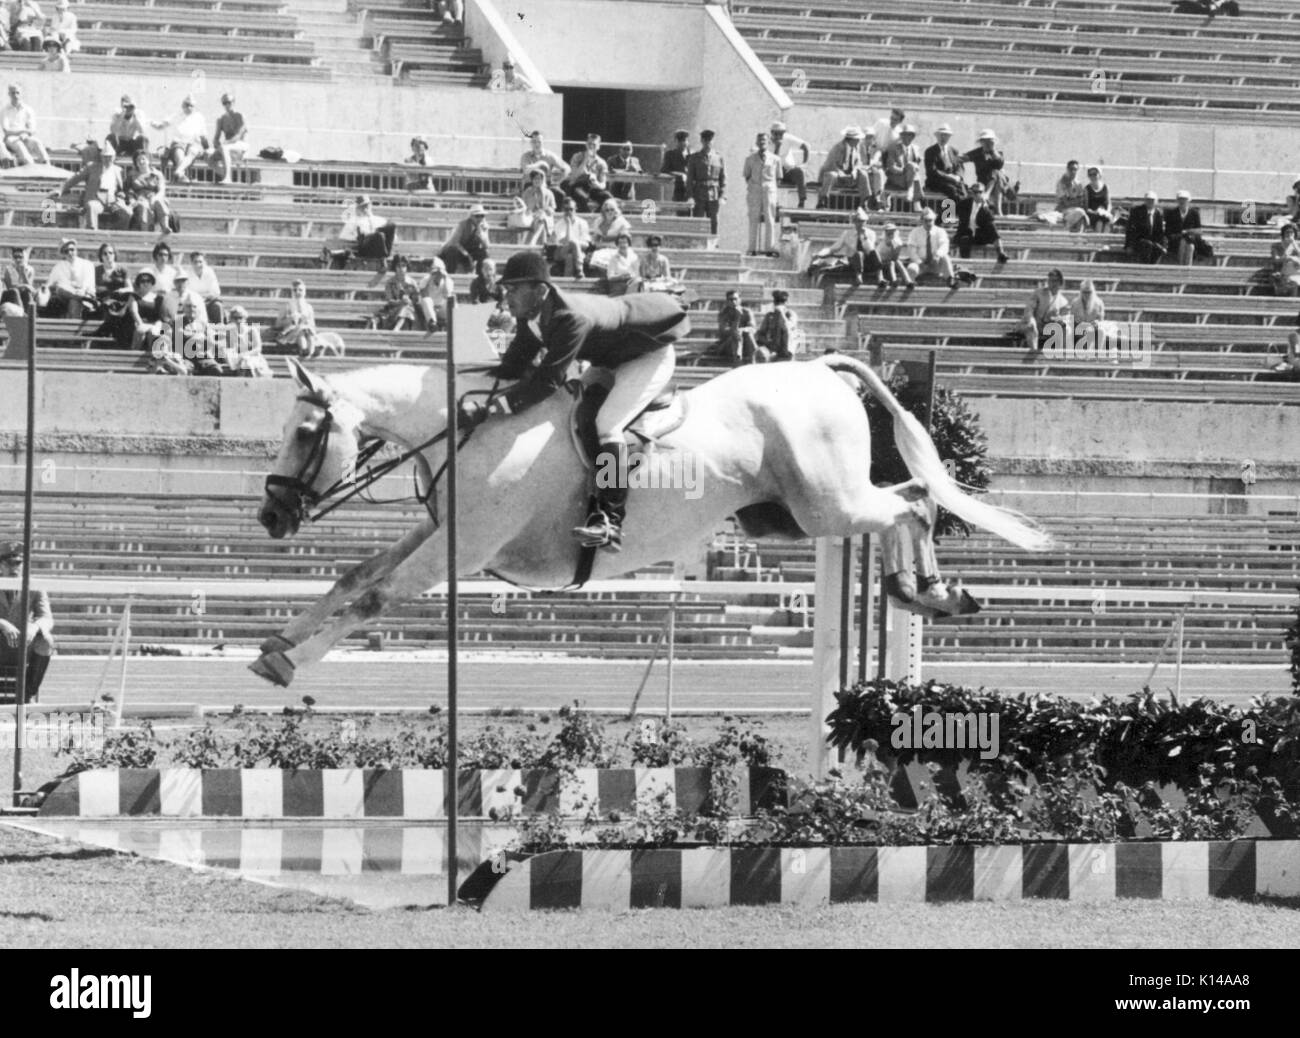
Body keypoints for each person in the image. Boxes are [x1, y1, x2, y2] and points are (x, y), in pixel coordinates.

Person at [465, 251, 689, 553]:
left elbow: (547, 381)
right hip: (610, 359)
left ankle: (610, 520)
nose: (508, 296)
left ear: (540, 290)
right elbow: (513, 366)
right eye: (507, 289)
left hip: (646, 356)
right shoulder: (532, 314)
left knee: (607, 426)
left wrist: (493, 409)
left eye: (514, 289)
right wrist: (467, 384)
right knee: (572, 414)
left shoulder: (568, 317)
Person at [0, 541, 54, 704]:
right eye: (9, 563)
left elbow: (47, 617)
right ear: (1, 565)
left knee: (46, 641)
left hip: (23, 646)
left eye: (18, 563)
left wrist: (34, 627)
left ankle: (26, 694)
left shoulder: (35, 586)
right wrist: (2, 623)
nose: (14, 568)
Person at [55, 140, 126, 231]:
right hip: (96, 198)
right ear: (101, 157)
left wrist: (122, 195)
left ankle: (118, 237)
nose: (107, 159)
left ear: (114, 157)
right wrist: (60, 190)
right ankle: (92, 234)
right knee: (91, 206)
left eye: (110, 157)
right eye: (105, 157)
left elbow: (123, 188)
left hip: (113, 200)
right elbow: (75, 178)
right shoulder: (92, 167)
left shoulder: (118, 170)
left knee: (126, 213)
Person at [812, 208, 883, 287]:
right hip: (853, 262)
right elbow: (834, 248)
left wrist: (865, 237)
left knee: (875, 252)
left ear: (865, 222)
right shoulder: (847, 234)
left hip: (867, 261)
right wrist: (819, 254)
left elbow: (870, 249)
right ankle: (858, 276)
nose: (860, 224)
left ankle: (880, 277)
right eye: (858, 221)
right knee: (859, 254)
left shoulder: (871, 233)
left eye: (862, 221)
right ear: (854, 222)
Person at [332, 195, 397, 271]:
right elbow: (343, 238)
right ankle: (383, 260)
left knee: (392, 225)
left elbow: (393, 238)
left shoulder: (379, 220)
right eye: (362, 206)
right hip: (364, 248)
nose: (365, 208)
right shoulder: (353, 221)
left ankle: (383, 255)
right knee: (378, 235)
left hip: (381, 249)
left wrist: (371, 220)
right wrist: (356, 237)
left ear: (370, 205)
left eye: (367, 205)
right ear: (357, 208)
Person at [150, 94, 206, 183]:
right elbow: (161, 125)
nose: (189, 107)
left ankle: (179, 172)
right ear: (183, 105)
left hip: (193, 143)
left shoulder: (199, 117)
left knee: (193, 151)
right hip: (179, 143)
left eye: (191, 105)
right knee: (180, 156)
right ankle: (182, 176)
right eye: (187, 105)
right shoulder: (176, 115)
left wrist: (207, 148)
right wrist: (151, 123)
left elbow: (203, 136)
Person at [742, 131, 781, 256]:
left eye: (764, 140)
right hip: (754, 191)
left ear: (768, 142)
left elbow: (778, 178)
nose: (762, 142)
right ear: (756, 142)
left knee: (770, 219)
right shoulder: (750, 159)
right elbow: (747, 176)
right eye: (760, 140)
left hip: (769, 191)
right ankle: (751, 248)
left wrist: (770, 188)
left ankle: (770, 248)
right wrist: (755, 186)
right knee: (753, 218)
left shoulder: (776, 159)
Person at [954, 181, 1010, 264]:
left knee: (991, 227)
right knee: (964, 240)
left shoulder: (988, 206)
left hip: (979, 235)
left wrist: (985, 206)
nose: (978, 194)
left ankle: (1000, 252)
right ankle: (965, 265)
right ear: (972, 193)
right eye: (975, 192)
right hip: (965, 234)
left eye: (980, 192)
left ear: (984, 193)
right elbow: (949, 211)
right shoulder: (964, 204)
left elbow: (990, 221)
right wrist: (938, 222)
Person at [816, 125, 870, 210]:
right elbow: (830, 165)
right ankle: (822, 202)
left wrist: (855, 171)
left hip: (850, 177)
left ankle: (864, 202)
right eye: (857, 139)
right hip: (838, 177)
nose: (859, 141)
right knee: (831, 175)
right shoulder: (837, 148)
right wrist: (841, 173)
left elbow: (858, 163)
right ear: (852, 139)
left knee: (863, 174)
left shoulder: (856, 149)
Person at [963, 130, 1014, 217]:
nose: (987, 144)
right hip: (983, 181)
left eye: (989, 141)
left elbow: (999, 163)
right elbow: (962, 158)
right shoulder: (977, 153)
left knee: (996, 172)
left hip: (997, 183)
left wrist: (993, 151)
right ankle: (998, 211)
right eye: (984, 141)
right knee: (998, 175)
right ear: (981, 142)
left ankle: (987, 195)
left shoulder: (998, 154)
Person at [1017, 268, 1070, 351]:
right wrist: (1031, 320)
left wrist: (1059, 320)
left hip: (1048, 327)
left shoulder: (1063, 301)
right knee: (1032, 327)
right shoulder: (1038, 293)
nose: (1052, 283)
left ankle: (1062, 356)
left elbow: (1065, 318)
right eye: (1050, 280)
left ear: (1060, 283)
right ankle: (1033, 354)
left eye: (1055, 281)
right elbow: (1029, 309)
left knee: (1066, 329)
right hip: (1032, 324)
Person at [904, 207, 958, 288]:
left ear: (934, 220)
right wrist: (920, 263)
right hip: (920, 264)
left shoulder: (940, 231)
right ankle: (910, 288)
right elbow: (911, 251)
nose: (929, 223)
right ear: (922, 221)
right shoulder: (914, 232)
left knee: (945, 257)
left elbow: (944, 246)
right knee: (911, 269)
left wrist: (937, 255)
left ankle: (951, 280)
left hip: (936, 263)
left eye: (931, 220)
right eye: (926, 220)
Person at [44, 237, 96, 318]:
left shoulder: (87, 264)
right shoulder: (58, 266)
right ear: (63, 254)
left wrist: (81, 291)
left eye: (72, 249)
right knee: (60, 288)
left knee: (74, 301)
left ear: (76, 250)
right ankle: (78, 297)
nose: (69, 252)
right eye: (66, 251)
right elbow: (49, 284)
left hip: (84, 295)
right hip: (65, 298)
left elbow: (88, 284)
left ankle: (73, 328)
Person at [685, 129, 725, 234]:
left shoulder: (718, 157)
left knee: (714, 221)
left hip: (714, 194)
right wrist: (690, 196)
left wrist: (722, 195)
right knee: (698, 220)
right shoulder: (694, 158)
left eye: (710, 140)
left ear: (713, 141)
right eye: (706, 140)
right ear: (702, 141)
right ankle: (696, 244)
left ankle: (714, 244)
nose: (708, 143)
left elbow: (723, 178)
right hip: (699, 193)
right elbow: (690, 178)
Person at [370, 254, 421, 331]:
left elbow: (417, 299)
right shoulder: (390, 282)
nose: (401, 269)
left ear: (407, 267)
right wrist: (400, 302)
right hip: (393, 309)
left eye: (403, 266)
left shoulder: (412, 282)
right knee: (402, 308)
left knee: (407, 308)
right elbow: (389, 300)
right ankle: (395, 328)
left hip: (410, 312)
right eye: (398, 266)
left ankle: (397, 328)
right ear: (395, 267)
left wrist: (410, 301)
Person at [562, 132, 611, 213]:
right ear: (586, 144)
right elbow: (574, 176)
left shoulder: (601, 162)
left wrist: (597, 184)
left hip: (593, 188)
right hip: (577, 186)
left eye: (594, 145)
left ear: (598, 146)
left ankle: (596, 216)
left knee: (607, 198)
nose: (591, 147)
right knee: (582, 197)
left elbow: (603, 184)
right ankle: (587, 217)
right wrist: (585, 159)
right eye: (589, 144)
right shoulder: (577, 157)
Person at [124, 151, 171, 234]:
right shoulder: (131, 175)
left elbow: (161, 190)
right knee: (143, 206)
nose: (141, 162)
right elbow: (129, 191)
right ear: (136, 163)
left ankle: (165, 227)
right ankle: (145, 233)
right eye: (138, 160)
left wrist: (155, 198)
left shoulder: (157, 174)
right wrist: (133, 201)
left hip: (154, 198)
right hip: (140, 199)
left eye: (143, 159)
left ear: (148, 160)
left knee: (159, 202)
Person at [2, 83, 48, 166]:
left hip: (25, 137)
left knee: (37, 143)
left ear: (21, 94)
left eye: (17, 92)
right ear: (9, 94)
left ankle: (47, 166)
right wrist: (22, 131)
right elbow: (6, 130)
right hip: (11, 139)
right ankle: (31, 167)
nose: (15, 95)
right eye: (13, 93)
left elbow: (32, 129)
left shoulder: (28, 109)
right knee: (20, 145)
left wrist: (25, 134)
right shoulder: (5, 110)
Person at [768, 121, 810, 209]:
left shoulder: (787, 138)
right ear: (772, 133)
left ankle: (801, 201)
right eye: (777, 133)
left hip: (788, 170)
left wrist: (804, 163)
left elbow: (806, 146)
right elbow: (774, 161)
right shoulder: (767, 143)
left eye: (781, 133)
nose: (779, 136)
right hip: (775, 171)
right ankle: (775, 202)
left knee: (799, 172)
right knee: (771, 174)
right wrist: (777, 147)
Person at [519, 129, 567, 205]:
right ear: (531, 143)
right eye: (534, 142)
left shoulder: (550, 156)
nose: (537, 144)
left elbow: (566, 168)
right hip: (530, 184)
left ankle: (554, 215)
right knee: (531, 195)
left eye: (539, 142)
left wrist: (558, 182)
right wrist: (540, 163)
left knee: (560, 194)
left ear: (543, 142)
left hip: (546, 184)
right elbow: (526, 170)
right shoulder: (525, 156)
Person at [883, 123, 924, 212]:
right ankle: (916, 201)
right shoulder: (894, 148)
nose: (907, 138)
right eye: (904, 135)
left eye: (909, 135)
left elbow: (917, 166)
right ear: (901, 136)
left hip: (910, 178)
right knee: (911, 167)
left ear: (912, 137)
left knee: (913, 168)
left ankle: (910, 191)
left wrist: (911, 170)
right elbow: (891, 167)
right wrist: (905, 171)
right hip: (897, 177)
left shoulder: (916, 148)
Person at [273, 279, 320, 356]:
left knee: (308, 333)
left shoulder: (308, 307)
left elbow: (313, 324)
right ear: (292, 292)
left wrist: (307, 323)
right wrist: (290, 319)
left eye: (300, 290)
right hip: (290, 334)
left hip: (307, 333)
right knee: (300, 332)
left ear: (304, 292)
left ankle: (308, 353)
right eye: (295, 290)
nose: (297, 292)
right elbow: (278, 324)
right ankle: (304, 351)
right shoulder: (287, 306)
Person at [438, 203, 488, 274]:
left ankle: (480, 276)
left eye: (482, 216)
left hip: (470, 251)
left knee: (484, 253)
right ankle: (450, 274)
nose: (480, 218)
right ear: (471, 216)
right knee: (452, 251)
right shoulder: (462, 225)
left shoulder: (484, 227)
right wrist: (466, 254)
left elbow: (486, 246)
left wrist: (482, 234)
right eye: (477, 216)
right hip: (459, 250)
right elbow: (455, 242)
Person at [548, 197, 590, 278]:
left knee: (570, 256)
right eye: (566, 209)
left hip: (579, 252)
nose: (569, 212)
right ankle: (580, 269)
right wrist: (568, 224)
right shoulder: (559, 224)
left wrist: (575, 245)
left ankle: (567, 280)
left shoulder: (583, 223)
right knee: (572, 242)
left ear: (576, 209)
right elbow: (566, 242)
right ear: (563, 210)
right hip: (561, 252)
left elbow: (586, 245)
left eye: (571, 209)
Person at [924, 123, 966, 204]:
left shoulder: (954, 151)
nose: (943, 138)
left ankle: (962, 214)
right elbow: (932, 171)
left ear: (949, 137)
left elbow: (960, 167)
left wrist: (958, 176)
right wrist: (949, 177)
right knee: (952, 190)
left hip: (953, 181)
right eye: (941, 135)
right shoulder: (930, 151)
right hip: (937, 182)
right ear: (936, 136)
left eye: (946, 135)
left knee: (964, 190)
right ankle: (951, 214)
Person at [212, 93, 248, 185]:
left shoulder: (240, 115)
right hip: (227, 147)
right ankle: (225, 174)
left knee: (224, 148)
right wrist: (217, 145)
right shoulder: (221, 119)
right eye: (224, 103)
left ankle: (228, 177)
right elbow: (216, 137)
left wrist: (225, 144)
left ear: (233, 102)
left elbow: (239, 135)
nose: (227, 105)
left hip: (240, 146)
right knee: (207, 155)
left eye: (229, 102)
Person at [1165, 189, 1207, 266]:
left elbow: (1199, 230)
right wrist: (1180, 235)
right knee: (1184, 243)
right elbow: (1168, 231)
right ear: (1177, 200)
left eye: (1184, 199)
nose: (1182, 201)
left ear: (1188, 201)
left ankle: (1186, 270)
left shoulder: (1194, 213)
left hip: (1191, 240)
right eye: (1180, 199)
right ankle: (1183, 269)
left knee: (1190, 246)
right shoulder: (1171, 213)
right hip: (1175, 241)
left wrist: (1187, 232)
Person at [714, 288, 756, 365]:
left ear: (740, 300)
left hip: (745, 343)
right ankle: (738, 361)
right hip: (727, 346)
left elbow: (753, 328)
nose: (733, 302)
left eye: (735, 299)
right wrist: (737, 318)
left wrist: (742, 330)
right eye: (731, 299)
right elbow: (724, 332)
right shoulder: (723, 314)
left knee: (747, 333)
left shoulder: (747, 312)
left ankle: (753, 360)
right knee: (736, 335)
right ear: (727, 301)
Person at [224, 306, 269, 377]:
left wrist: (245, 355)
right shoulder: (230, 333)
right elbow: (230, 349)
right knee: (242, 363)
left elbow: (258, 349)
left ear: (245, 318)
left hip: (253, 358)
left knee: (247, 363)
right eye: (235, 318)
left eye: (240, 318)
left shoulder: (252, 330)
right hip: (238, 359)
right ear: (232, 319)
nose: (238, 320)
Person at [755, 289, 798, 361]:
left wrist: (781, 314)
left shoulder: (790, 314)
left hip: (787, 349)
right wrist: (768, 343)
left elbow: (788, 328)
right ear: (774, 302)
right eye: (777, 302)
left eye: (782, 302)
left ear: (786, 302)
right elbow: (760, 334)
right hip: (772, 349)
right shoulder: (769, 316)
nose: (779, 304)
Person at [518, 165, 556, 246]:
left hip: (545, 217)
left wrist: (545, 210)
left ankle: (533, 241)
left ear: (543, 180)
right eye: (535, 178)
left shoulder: (549, 193)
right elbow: (523, 206)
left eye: (540, 179)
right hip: (530, 216)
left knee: (541, 218)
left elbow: (552, 209)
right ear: (532, 180)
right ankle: (540, 244)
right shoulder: (527, 192)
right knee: (540, 220)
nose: (537, 181)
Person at [1126, 191, 1166, 264]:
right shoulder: (1136, 211)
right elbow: (1130, 230)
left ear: (1156, 202)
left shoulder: (1158, 214)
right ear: (1145, 201)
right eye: (1148, 200)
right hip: (1139, 242)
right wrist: (1129, 245)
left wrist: (1162, 246)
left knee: (1158, 249)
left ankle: (1152, 270)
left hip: (1153, 243)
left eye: (1152, 200)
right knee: (1147, 245)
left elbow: (1160, 232)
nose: (1150, 202)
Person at [185, 251, 223, 324]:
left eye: (200, 262)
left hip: (208, 302)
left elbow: (216, 292)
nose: (198, 264)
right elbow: (187, 294)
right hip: (193, 304)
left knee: (218, 306)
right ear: (191, 263)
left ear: (204, 262)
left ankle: (220, 331)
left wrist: (200, 297)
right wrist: (201, 297)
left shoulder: (210, 272)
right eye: (196, 262)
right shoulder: (187, 273)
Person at [417, 258, 454, 331]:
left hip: (441, 309)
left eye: (439, 273)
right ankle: (432, 323)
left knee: (452, 299)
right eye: (436, 273)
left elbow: (446, 295)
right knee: (426, 300)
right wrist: (431, 276)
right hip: (429, 309)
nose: (438, 275)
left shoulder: (448, 281)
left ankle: (455, 324)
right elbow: (422, 291)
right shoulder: (426, 279)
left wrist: (445, 277)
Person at [876, 222, 914, 287]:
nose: (891, 232)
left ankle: (908, 281)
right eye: (888, 230)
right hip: (881, 263)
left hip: (889, 262)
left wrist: (895, 247)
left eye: (892, 230)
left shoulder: (896, 241)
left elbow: (895, 256)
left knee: (897, 262)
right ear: (885, 231)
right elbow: (880, 256)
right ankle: (893, 280)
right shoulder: (883, 240)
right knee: (892, 262)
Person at [1054, 160, 1089, 231]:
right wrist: (1076, 201)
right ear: (1067, 169)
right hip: (1064, 211)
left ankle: (1077, 239)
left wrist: (1074, 201)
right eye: (1071, 169)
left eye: (1075, 169)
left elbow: (1082, 202)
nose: (1073, 171)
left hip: (1076, 211)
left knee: (1081, 216)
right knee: (1081, 213)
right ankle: (1076, 237)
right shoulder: (1061, 183)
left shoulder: (1079, 184)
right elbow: (1065, 203)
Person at [1, 245, 36, 311]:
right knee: (15, 292)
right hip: (12, 295)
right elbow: (10, 287)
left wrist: (23, 273)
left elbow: (30, 287)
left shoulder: (30, 269)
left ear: (24, 258)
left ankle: (28, 314)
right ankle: (22, 314)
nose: (18, 259)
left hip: (23, 293)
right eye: (15, 257)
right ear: (12, 258)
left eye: (20, 257)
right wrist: (24, 285)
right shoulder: (8, 269)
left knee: (27, 293)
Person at [660, 129, 691, 204]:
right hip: (679, 189)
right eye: (680, 141)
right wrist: (679, 175)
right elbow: (664, 170)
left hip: (693, 190)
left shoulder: (693, 155)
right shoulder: (670, 154)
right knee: (680, 212)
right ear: (676, 141)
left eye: (685, 140)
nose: (683, 143)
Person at [1270, 222, 1300, 297]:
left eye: (1291, 232)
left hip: (1296, 272)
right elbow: (1276, 260)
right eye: (1287, 232)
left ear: (1295, 234)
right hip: (1280, 273)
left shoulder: (1297, 246)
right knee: (1293, 284)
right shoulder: (1276, 246)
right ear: (1283, 234)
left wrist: (1293, 243)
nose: (1289, 234)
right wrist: (1287, 257)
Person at [1084, 165, 1113, 232]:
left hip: (1105, 213)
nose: (1093, 176)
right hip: (1093, 214)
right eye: (1090, 175)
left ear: (1100, 175)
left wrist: (1107, 212)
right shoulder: (1087, 189)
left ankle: (1104, 240)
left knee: (1108, 220)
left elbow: (1109, 204)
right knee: (1099, 221)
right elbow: (1086, 207)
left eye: (1095, 174)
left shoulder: (1105, 187)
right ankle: (1098, 241)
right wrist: (1095, 212)